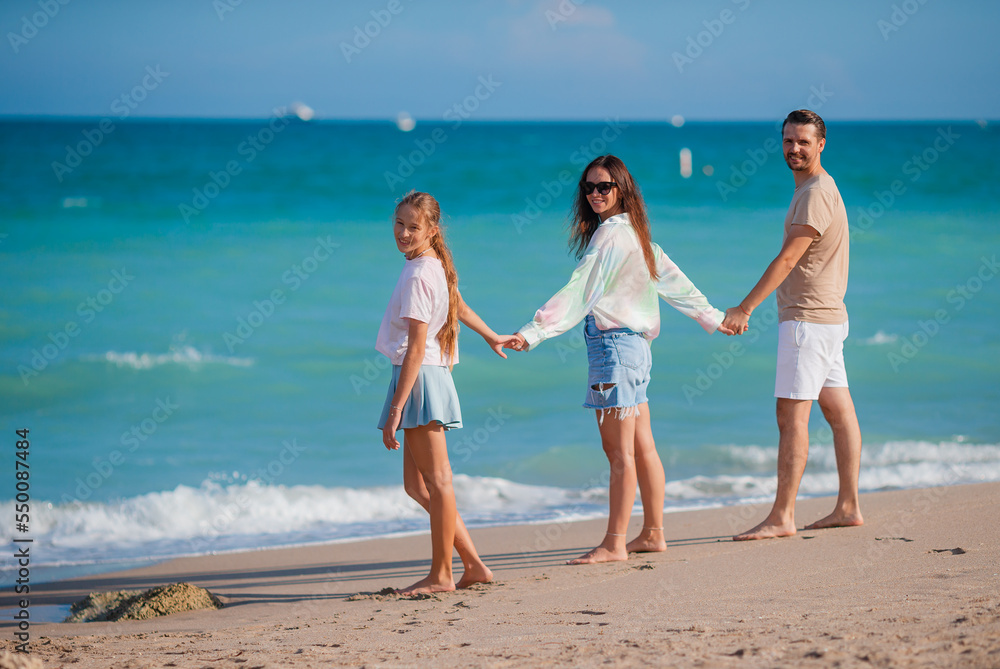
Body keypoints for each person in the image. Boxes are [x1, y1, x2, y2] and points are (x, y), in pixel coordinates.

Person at [508, 155, 734, 565]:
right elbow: (676, 283)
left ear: (621, 190)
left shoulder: (610, 236)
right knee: (643, 448)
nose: (595, 194)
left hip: (613, 350)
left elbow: (580, 290)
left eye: (604, 187)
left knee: (619, 453)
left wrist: (533, 332)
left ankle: (614, 543)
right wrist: (715, 319)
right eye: (588, 188)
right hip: (636, 352)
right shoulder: (639, 234)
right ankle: (652, 534)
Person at [721, 109, 864, 541]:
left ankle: (782, 516)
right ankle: (848, 506)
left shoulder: (815, 192)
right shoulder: (820, 187)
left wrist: (744, 308)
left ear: (821, 144)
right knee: (839, 413)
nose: (794, 148)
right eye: (788, 141)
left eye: (803, 141)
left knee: (790, 416)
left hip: (807, 321)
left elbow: (788, 258)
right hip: (828, 319)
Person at [376, 190, 516, 593]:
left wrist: (395, 408)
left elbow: (417, 347)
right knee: (418, 486)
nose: (403, 233)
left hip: (419, 378)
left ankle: (442, 575)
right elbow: (459, 306)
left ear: (431, 230)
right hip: (423, 375)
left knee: (438, 482)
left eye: (413, 227)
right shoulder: (431, 264)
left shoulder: (420, 273)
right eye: (398, 224)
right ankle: (472, 565)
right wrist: (492, 336)